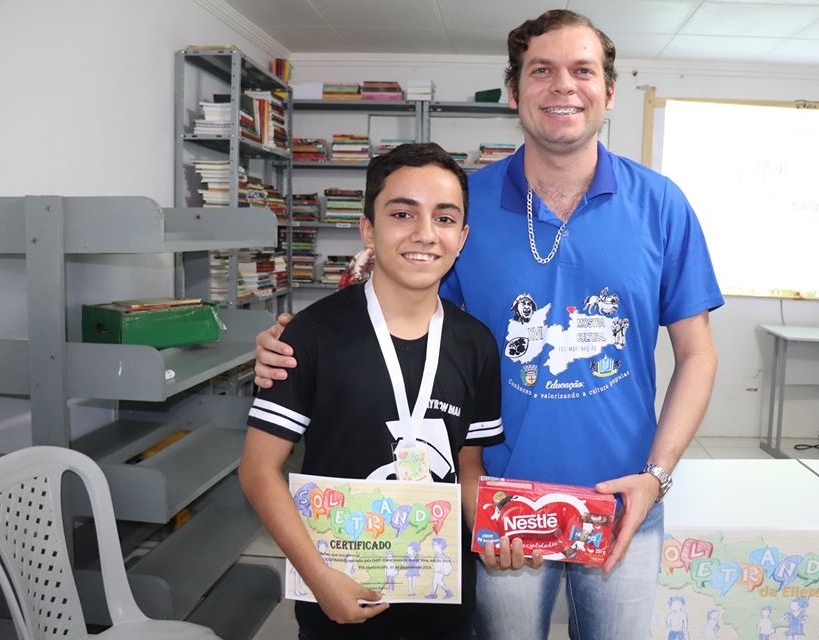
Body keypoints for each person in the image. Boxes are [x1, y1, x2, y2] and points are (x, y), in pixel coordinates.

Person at [253, 9, 722, 640]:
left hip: (625, 498)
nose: (563, 85)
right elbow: (399, 313)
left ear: (609, 91)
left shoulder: (662, 205)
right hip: (496, 505)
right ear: (513, 90)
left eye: (582, 70)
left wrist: (657, 476)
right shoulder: (461, 205)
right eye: (542, 70)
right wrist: (290, 345)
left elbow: (697, 354)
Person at [239, 142, 506, 640]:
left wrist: (496, 531)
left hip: (441, 603)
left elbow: (469, 467)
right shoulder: (309, 336)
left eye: (445, 218)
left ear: (462, 237)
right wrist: (318, 579)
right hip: (336, 596)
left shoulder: (477, 345)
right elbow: (258, 470)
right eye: (403, 214)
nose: (425, 233)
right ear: (368, 229)